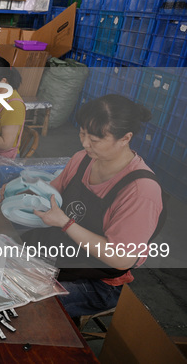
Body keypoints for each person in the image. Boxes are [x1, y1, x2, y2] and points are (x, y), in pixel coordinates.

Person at [23, 94, 164, 318]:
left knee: (26, 309)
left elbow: (121, 258)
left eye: (95, 139)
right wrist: (24, 193)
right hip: (61, 255)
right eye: (82, 133)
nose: (84, 143)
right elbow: (53, 194)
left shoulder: (141, 191)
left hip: (99, 282)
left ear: (125, 138)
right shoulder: (82, 159)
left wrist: (66, 223)